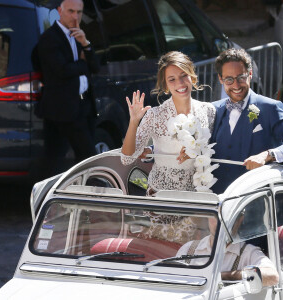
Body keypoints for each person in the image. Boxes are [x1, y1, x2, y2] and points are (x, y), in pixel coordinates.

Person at [121, 51, 216, 195]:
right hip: (161, 198)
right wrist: (134, 122)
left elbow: (212, 150)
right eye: (172, 79)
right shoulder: (155, 115)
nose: (180, 83)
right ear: (165, 85)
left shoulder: (208, 111)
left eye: (184, 75)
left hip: (197, 198)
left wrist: (196, 152)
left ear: (193, 77)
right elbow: (126, 159)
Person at [37, 0, 100, 174]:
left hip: (84, 104)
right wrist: (82, 62)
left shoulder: (79, 35)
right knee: (88, 156)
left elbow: (95, 67)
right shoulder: (50, 38)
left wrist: (85, 43)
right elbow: (61, 70)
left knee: (60, 157)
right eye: (70, 11)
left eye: (79, 12)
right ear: (59, 11)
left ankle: (80, 193)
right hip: (64, 107)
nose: (75, 16)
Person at [210, 48, 283, 194]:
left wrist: (268, 154)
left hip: (255, 200)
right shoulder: (212, 109)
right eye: (229, 79)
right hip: (217, 201)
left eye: (241, 77)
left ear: (250, 74)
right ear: (220, 79)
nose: (236, 85)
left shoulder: (271, 108)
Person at [176, 217, 279, 287]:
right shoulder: (189, 248)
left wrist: (225, 276)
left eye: (227, 217)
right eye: (216, 216)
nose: (221, 223)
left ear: (239, 219)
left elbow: (272, 276)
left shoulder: (247, 252)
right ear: (208, 218)